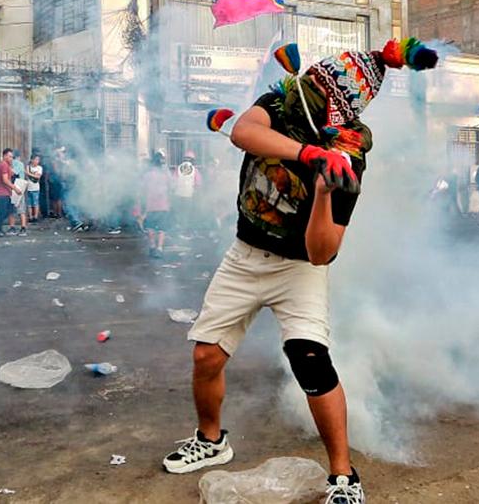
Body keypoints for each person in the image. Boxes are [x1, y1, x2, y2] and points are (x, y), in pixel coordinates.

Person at [163, 38, 439, 504]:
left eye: (317, 91)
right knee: (206, 356)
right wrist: (308, 156)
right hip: (245, 255)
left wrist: (326, 191)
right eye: (309, 81)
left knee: (311, 361)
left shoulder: (349, 153)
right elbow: (243, 132)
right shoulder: (280, 100)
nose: (304, 91)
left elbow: (321, 253)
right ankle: (211, 441)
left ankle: (344, 475)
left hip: (298, 270)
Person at [142, 151, 172, 258]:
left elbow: (143, 189)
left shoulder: (147, 175)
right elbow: (170, 187)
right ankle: (159, 248)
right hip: (163, 205)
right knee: (162, 228)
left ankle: (152, 246)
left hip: (151, 206)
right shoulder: (165, 175)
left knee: (150, 227)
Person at [173, 150, 202, 234]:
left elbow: (173, 181)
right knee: (187, 214)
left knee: (179, 213)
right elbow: (198, 184)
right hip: (189, 196)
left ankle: (179, 230)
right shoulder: (195, 170)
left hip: (178, 195)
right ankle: (184, 230)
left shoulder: (178, 169)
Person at [0, 148, 15, 237]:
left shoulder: (6, 165)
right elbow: (5, 180)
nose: (11, 158)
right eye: (9, 156)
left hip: (5, 192)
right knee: (3, 211)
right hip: (2, 192)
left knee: (8, 210)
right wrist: (15, 188)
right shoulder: (4, 165)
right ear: (4, 156)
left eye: (12, 157)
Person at [26, 154, 43, 222]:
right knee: (29, 204)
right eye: (36, 159)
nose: (37, 161)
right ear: (32, 160)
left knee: (35, 203)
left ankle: (35, 217)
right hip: (28, 188)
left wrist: (29, 173)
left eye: (38, 160)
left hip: (36, 188)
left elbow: (38, 177)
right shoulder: (28, 167)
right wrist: (32, 174)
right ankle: (30, 217)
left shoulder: (39, 168)